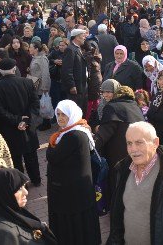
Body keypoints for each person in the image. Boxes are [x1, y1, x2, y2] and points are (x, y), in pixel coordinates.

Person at [46, 100, 101, 245]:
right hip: (76, 192)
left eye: (64, 114)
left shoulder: (72, 135)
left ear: (72, 114)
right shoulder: (77, 130)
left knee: (73, 230)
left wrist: (50, 147)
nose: (60, 118)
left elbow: (52, 156)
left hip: (71, 195)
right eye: (58, 114)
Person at [0, 58, 42, 186]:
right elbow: (35, 104)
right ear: (14, 68)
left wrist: (16, 121)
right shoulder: (28, 82)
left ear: (0, 71)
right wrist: (26, 120)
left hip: (8, 128)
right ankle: (36, 180)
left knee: (14, 158)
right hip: (28, 126)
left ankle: (21, 183)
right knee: (31, 156)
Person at [0, 167, 58, 244]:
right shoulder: (3, 234)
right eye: (19, 189)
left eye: (24, 187)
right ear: (4, 194)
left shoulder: (2, 211)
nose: (26, 192)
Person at [95, 85, 144, 198]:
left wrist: (92, 148)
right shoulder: (136, 107)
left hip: (117, 155)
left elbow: (104, 134)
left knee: (117, 186)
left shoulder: (112, 107)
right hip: (135, 153)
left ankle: (117, 212)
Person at [60, 28, 89, 114]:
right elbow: (67, 70)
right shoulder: (70, 50)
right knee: (76, 111)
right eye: (83, 36)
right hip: (76, 87)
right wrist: (72, 85)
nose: (84, 38)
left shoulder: (77, 48)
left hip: (82, 86)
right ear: (77, 37)